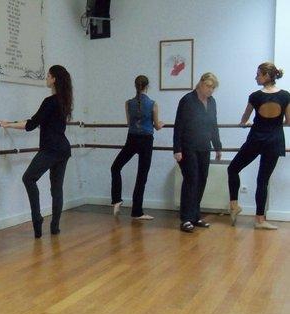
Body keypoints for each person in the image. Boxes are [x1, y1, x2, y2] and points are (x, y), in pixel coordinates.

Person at [0, 65, 73, 238]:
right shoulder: (64, 101)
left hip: (51, 149)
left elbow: (31, 124)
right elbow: (35, 121)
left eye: (48, 76)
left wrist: (8, 124)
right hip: (63, 148)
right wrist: (13, 122)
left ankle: (37, 218)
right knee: (57, 189)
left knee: (28, 178)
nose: (46, 78)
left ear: (54, 79)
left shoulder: (50, 102)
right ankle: (54, 227)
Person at [228, 63, 289, 230]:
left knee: (232, 169)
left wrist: (244, 123)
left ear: (267, 76)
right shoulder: (285, 96)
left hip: (256, 138)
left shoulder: (254, 96)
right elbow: (289, 121)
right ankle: (260, 220)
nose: (256, 77)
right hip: (275, 139)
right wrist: (276, 124)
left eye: (258, 74)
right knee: (263, 180)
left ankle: (234, 205)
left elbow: (244, 119)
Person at [173, 72, 223, 233]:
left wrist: (217, 146)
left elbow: (213, 125)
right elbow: (178, 125)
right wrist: (177, 149)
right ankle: (185, 219)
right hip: (188, 147)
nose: (210, 90)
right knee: (191, 180)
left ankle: (195, 215)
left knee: (202, 179)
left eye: (213, 88)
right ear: (200, 84)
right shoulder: (187, 100)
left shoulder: (212, 102)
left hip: (204, 146)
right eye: (208, 86)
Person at [110, 75, 164, 220]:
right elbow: (157, 126)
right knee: (141, 177)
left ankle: (116, 199)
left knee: (115, 167)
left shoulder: (128, 103)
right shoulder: (153, 104)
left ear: (135, 86)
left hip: (132, 139)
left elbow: (129, 123)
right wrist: (161, 124)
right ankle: (137, 212)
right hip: (146, 141)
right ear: (147, 86)